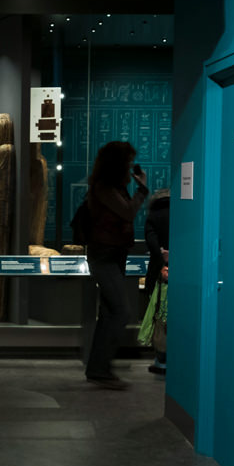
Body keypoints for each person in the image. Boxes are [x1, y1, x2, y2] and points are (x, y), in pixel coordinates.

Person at [84, 141, 149, 388]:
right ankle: (100, 368)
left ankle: (98, 369)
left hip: (114, 254)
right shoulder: (104, 188)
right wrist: (142, 189)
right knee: (121, 311)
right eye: (128, 161)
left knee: (110, 312)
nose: (131, 165)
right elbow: (128, 213)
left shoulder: (114, 187)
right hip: (104, 256)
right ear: (117, 163)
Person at [143, 189, 170, 374]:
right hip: (180, 269)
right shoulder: (181, 214)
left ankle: (161, 359)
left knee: (158, 316)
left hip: (158, 271)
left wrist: (161, 261)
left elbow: (151, 242)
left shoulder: (153, 216)